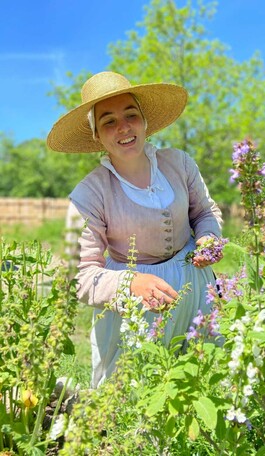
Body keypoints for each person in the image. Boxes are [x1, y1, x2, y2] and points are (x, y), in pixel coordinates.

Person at [47, 71, 224, 388]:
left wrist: (209, 238)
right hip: (136, 307)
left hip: (196, 287)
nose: (123, 127)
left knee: (204, 382)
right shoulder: (88, 195)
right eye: (109, 121)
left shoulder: (179, 163)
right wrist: (130, 284)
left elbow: (205, 211)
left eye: (131, 115)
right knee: (134, 403)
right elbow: (77, 273)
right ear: (97, 136)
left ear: (144, 121)